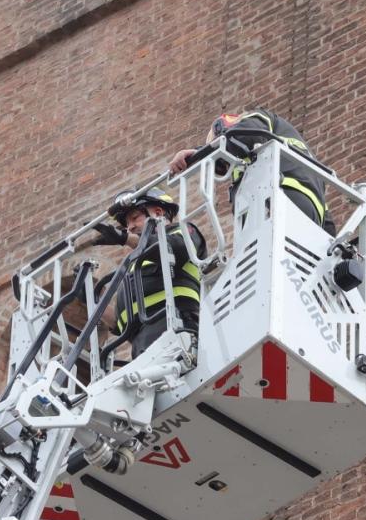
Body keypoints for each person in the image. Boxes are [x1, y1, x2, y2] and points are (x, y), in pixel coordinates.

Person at [168, 110, 329, 229]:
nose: (225, 168)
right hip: (311, 215)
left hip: (280, 196)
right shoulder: (301, 159)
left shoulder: (252, 121)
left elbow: (241, 136)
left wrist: (198, 153)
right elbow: (328, 223)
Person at [95, 188, 206, 358]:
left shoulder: (182, 231)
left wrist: (127, 239)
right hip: (141, 345)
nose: (130, 227)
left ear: (158, 213)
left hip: (177, 327)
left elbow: (177, 249)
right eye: (126, 224)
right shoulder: (135, 264)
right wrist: (94, 296)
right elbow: (120, 324)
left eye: (134, 218)